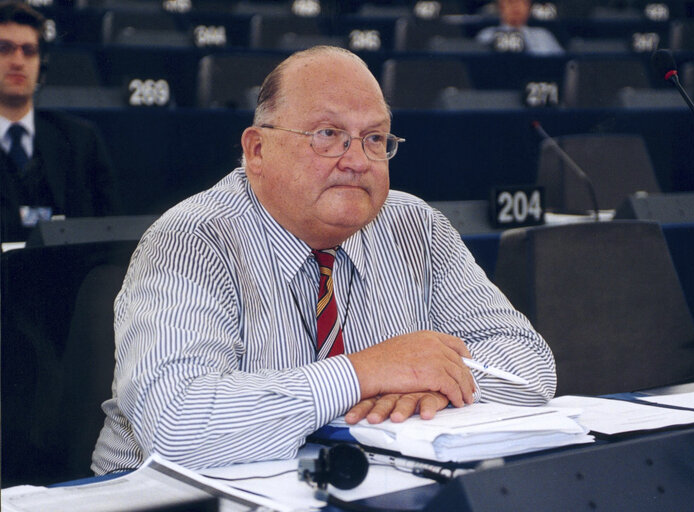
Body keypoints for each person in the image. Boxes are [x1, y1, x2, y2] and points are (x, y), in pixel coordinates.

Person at [92, 45, 556, 474]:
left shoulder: (417, 226)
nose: (357, 160)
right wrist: (363, 374)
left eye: (375, 138)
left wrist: (429, 385)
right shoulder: (193, 239)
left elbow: (532, 365)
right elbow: (177, 427)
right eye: (328, 134)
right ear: (257, 150)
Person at [0, 1, 117, 243]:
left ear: (42, 64)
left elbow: (111, 237)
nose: (18, 61)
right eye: (5, 48)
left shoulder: (82, 140)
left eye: (29, 51)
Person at [476, 0, 564, 54]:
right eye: (511, 2)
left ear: (529, 6)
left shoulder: (543, 36)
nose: (516, 7)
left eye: (522, 2)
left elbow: (561, 66)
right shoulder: (486, 35)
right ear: (500, 7)